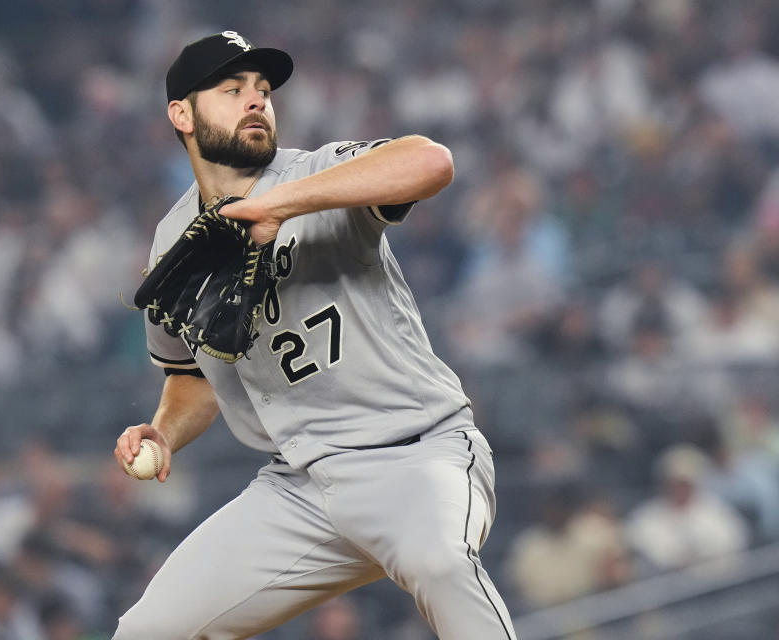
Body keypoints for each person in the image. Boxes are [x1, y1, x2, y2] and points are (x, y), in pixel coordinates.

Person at [112, 31, 515, 640]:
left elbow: (431, 163)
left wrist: (282, 205)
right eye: (232, 89)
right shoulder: (175, 242)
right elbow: (193, 378)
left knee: (442, 562)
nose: (255, 101)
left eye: (263, 91)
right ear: (181, 114)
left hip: (414, 452)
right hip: (300, 487)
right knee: (149, 631)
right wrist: (163, 431)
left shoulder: (319, 173)